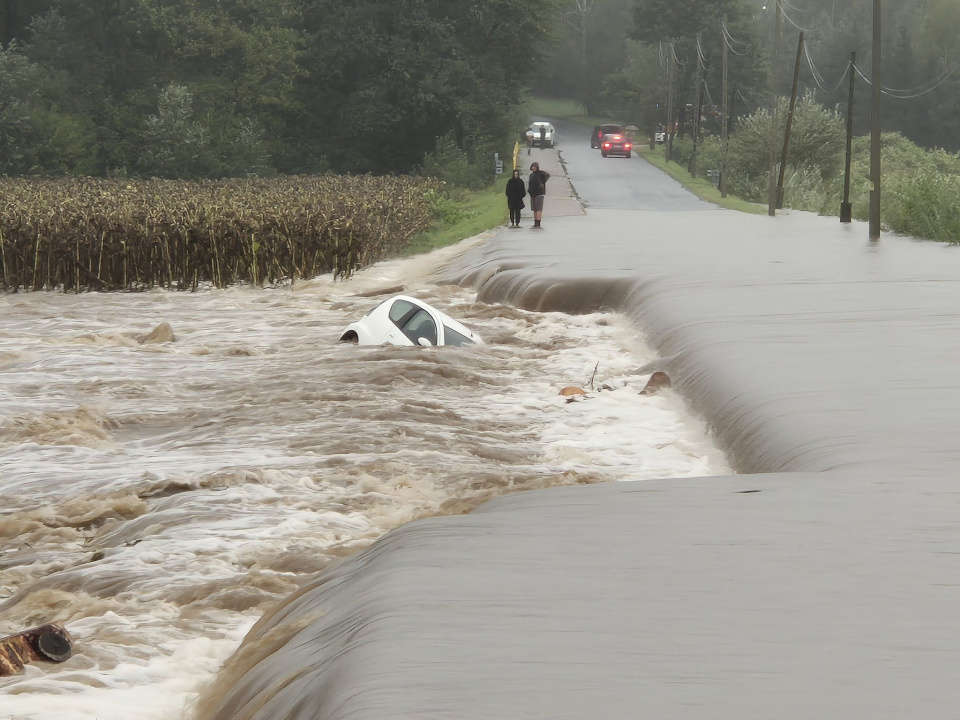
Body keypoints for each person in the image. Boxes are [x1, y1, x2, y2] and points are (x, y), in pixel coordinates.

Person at [527, 162, 550, 229]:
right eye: (532, 167)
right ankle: (535, 222)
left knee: (538, 208)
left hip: (540, 193)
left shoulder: (541, 173)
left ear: (537, 167)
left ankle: (538, 223)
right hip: (533, 194)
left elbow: (547, 175)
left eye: (535, 167)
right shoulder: (531, 175)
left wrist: (542, 182)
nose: (533, 168)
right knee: (534, 209)